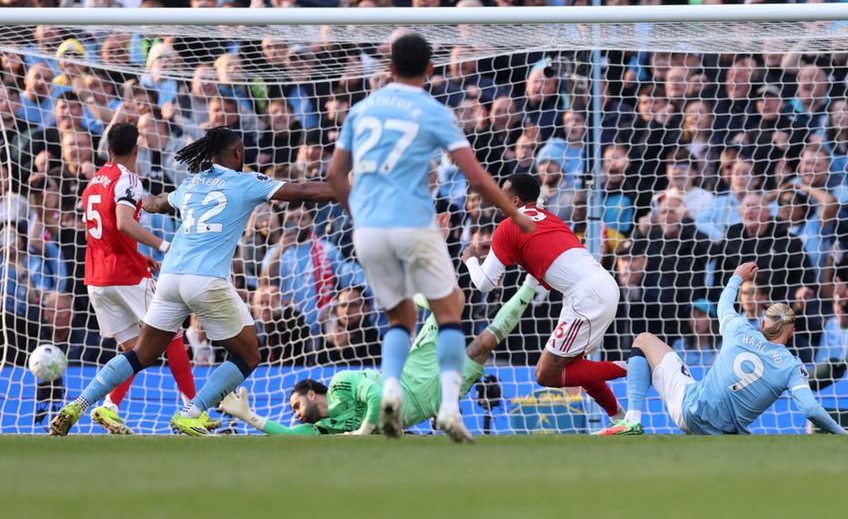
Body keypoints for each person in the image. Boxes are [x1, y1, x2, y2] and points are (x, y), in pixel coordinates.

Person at [49, 127, 334, 436]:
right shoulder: (246, 182)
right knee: (249, 355)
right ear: (238, 153)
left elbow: (158, 203)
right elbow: (305, 192)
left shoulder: (190, 184)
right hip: (206, 279)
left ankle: (78, 403)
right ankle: (191, 412)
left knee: (140, 354)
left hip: (169, 278)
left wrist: (139, 201)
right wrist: (347, 191)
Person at [326, 32, 533, 443]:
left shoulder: (362, 110)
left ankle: (389, 392)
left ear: (388, 68)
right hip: (414, 224)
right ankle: (450, 409)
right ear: (430, 70)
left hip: (368, 230)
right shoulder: (433, 110)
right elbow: (475, 177)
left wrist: (358, 216)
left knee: (399, 317)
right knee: (450, 309)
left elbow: (334, 176)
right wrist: (514, 214)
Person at [218, 282, 537, 435]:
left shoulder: (341, 383)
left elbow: (375, 395)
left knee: (455, 301)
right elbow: (288, 436)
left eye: (297, 406)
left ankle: (418, 297)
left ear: (313, 394)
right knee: (482, 347)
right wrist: (250, 417)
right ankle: (532, 286)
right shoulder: (324, 428)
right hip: (431, 399)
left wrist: (362, 432)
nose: (297, 415)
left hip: (411, 374)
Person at [596, 262, 846, 436]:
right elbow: (811, 409)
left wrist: (737, 276)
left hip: (688, 409)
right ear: (791, 333)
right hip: (723, 431)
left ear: (761, 322)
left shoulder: (738, 329)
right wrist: (840, 432)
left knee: (643, 340)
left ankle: (632, 420)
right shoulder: (792, 366)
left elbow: (723, 304)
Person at [462, 173, 627, 422]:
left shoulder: (507, 227)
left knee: (546, 374)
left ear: (515, 201)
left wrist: (471, 259)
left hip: (585, 296)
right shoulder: (550, 218)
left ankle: (636, 366)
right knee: (573, 364)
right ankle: (618, 417)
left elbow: (484, 284)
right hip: (600, 286)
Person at [78, 123, 199, 434]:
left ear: (108, 149)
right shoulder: (128, 179)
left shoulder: (94, 182)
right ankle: (191, 407)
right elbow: (121, 223)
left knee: (135, 349)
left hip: (97, 278)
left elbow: (103, 233)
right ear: (137, 149)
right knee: (171, 331)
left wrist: (141, 256)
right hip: (126, 276)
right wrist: (163, 245)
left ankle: (110, 407)